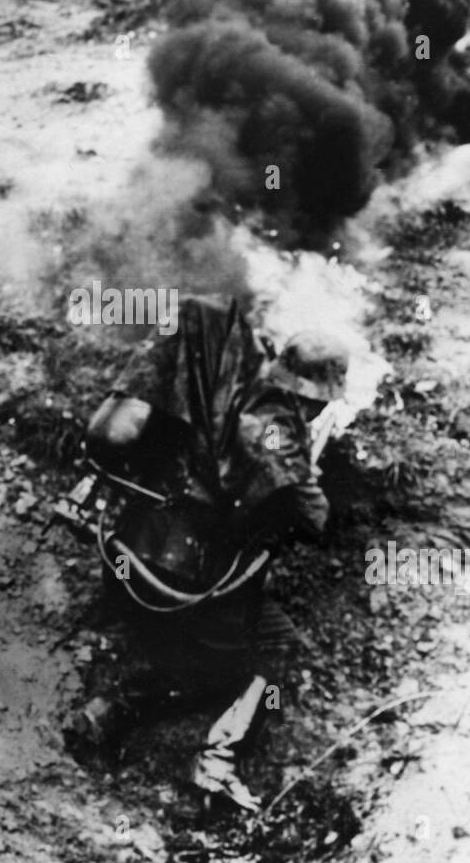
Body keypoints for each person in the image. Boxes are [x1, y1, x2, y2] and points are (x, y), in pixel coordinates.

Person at [72, 297, 348, 812]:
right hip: (186, 581)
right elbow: (315, 521)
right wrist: (309, 471)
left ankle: (107, 714)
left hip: (133, 550)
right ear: (316, 397)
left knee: (201, 649)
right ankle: (211, 761)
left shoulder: (235, 387)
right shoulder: (275, 432)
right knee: (273, 647)